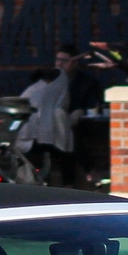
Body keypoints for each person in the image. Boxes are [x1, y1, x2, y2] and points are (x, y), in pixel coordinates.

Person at [16, 45, 78, 182]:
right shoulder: (47, 86)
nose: (60, 63)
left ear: (74, 63)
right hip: (33, 135)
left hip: (39, 134)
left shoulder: (67, 82)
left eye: (64, 60)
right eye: (58, 60)